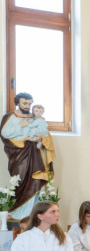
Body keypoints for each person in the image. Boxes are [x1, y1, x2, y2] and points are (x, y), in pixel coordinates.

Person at [1, 92, 55, 220]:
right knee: (19, 181)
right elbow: (4, 134)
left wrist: (40, 139)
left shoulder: (35, 117)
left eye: (29, 104)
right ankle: (17, 214)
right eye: (24, 103)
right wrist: (20, 126)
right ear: (18, 103)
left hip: (35, 154)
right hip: (19, 155)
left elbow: (44, 132)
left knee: (36, 180)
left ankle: (33, 214)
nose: (27, 106)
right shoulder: (10, 116)